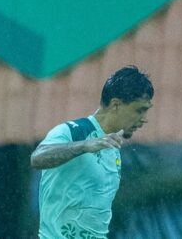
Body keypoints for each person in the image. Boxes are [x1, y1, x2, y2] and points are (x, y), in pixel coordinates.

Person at [31, 65, 155, 239]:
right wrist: (83, 146)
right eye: (139, 110)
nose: (144, 119)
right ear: (116, 105)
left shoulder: (112, 148)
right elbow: (37, 158)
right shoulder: (73, 131)